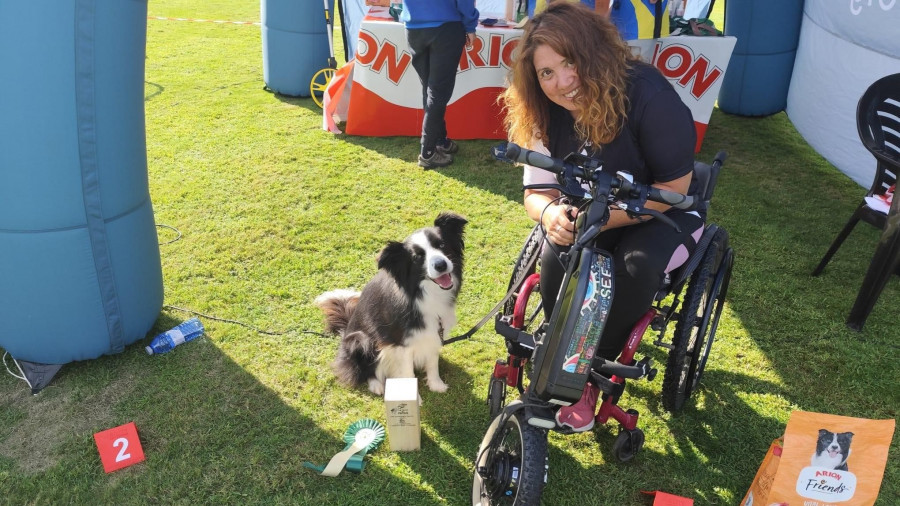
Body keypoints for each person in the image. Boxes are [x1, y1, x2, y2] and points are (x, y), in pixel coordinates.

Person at [500, 2, 703, 432]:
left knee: (635, 267)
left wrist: (605, 220)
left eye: (569, 63)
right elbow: (536, 192)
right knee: (558, 254)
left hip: (661, 213)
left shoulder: (647, 95)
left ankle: (594, 371)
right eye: (546, 72)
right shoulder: (542, 109)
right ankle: (562, 354)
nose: (562, 82)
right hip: (589, 210)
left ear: (593, 52)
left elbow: (677, 190)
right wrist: (552, 213)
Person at [400, 0, 479, 169]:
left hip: (414, 27)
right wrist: (470, 26)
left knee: (430, 89)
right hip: (445, 26)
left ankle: (439, 140)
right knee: (436, 92)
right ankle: (427, 152)